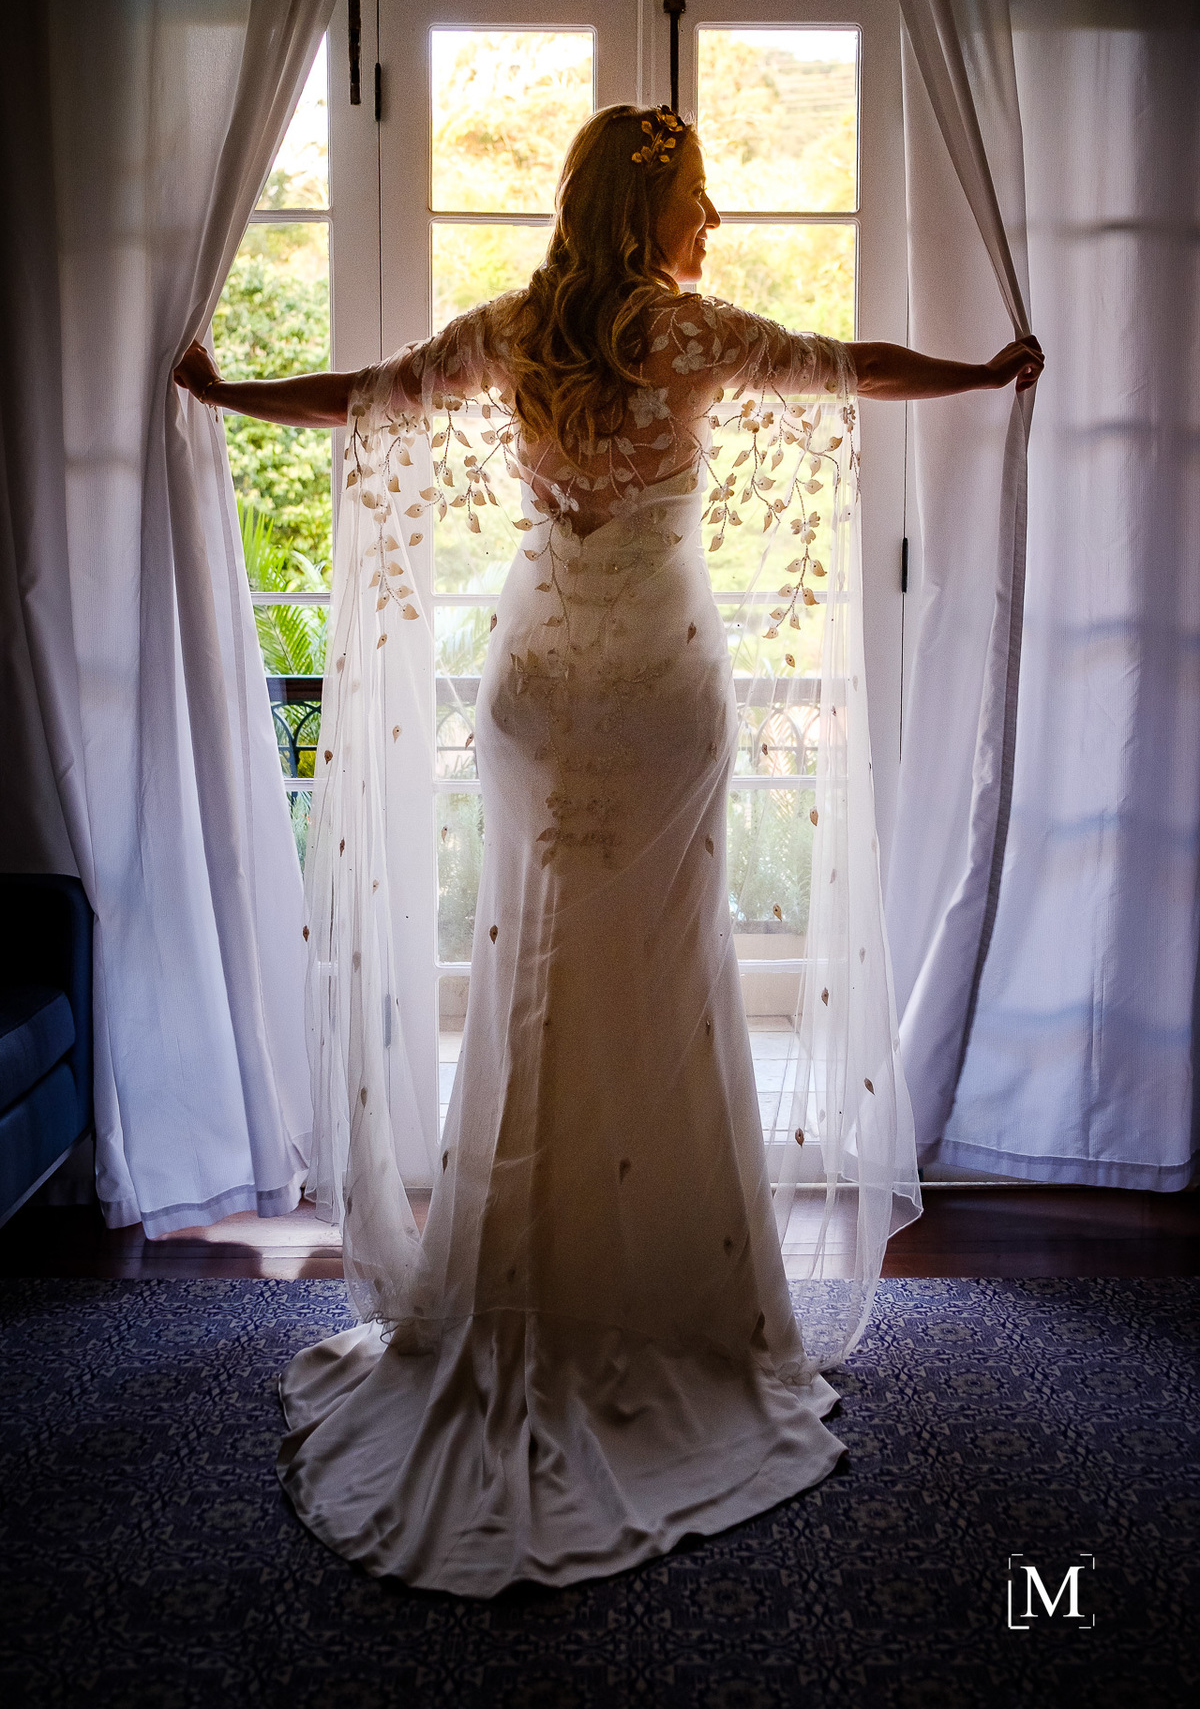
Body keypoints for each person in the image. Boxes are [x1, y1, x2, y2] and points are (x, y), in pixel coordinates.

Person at [176, 105, 1043, 1596]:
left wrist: (229, 390)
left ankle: (522, 1279)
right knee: (660, 981)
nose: (714, 222)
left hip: (535, 692)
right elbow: (855, 367)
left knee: (537, 978)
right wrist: (980, 372)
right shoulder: (687, 334)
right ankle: (669, 1300)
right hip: (656, 695)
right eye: (700, 198)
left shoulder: (516, 329)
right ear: (651, 212)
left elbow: (365, 398)